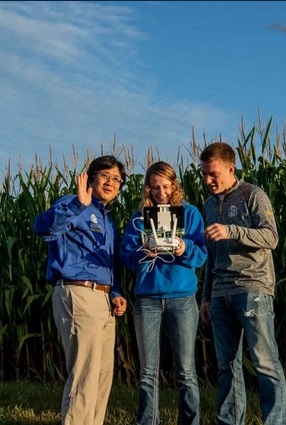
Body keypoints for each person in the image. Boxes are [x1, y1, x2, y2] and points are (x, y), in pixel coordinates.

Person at [197, 142, 286, 425]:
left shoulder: (253, 195)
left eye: (213, 174)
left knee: (264, 363)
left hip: (252, 289)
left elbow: (271, 237)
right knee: (227, 366)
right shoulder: (209, 205)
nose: (208, 181)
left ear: (230, 168)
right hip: (221, 293)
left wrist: (232, 230)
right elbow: (211, 256)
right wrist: (205, 296)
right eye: (204, 175)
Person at [33, 155, 129, 425]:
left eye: (116, 179)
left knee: (101, 377)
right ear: (90, 177)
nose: (111, 182)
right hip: (78, 294)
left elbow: (110, 264)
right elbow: (43, 229)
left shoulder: (108, 221)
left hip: (103, 300)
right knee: (84, 375)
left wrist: (116, 292)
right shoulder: (72, 204)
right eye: (105, 176)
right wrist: (78, 204)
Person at [120, 161, 208, 425]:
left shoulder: (190, 214)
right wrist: (144, 252)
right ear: (148, 187)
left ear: (174, 185)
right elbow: (126, 258)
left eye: (166, 186)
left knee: (186, 370)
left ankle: (190, 422)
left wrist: (184, 248)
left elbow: (202, 255)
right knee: (148, 371)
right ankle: (149, 421)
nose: (161, 193)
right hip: (147, 299)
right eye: (155, 187)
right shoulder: (139, 219)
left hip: (182, 298)